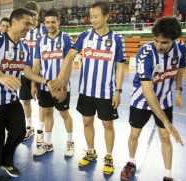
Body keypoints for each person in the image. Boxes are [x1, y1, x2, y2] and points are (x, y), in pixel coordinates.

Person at [0, 8, 53, 181]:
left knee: (18, 133)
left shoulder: (24, 47)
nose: (29, 28)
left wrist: (45, 81)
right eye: (26, 24)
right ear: (14, 22)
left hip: (11, 99)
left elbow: (27, 71)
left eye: (31, 24)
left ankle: (6, 161)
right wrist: (1, 76)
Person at [51, 2, 126, 175]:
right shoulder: (85, 36)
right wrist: (60, 79)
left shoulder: (116, 39)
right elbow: (69, 56)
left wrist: (118, 90)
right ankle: (91, 152)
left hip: (107, 92)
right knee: (87, 122)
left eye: (96, 16)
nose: (92, 20)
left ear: (107, 16)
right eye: (91, 16)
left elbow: (120, 66)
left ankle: (108, 156)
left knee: (107, 124)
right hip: (86, 91)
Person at [120, 17, 185, 181]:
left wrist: (178, 90)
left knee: (165, 137)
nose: (158, 45)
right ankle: (131, 161)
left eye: (164, 42)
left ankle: (168, 175)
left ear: (174, 40)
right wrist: (167, 123)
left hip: (164, 99)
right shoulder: (145, 53)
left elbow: (180, 69)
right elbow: (148, 93)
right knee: (135, 134)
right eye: (156, 40)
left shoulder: (181, 49)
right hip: (141, 100)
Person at [31, 10, 74, 157]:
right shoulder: (40, 41)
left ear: (58, 22)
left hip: (60, 87)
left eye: (53, 22)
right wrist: (33, 85)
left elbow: (69, 65)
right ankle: (48, 143)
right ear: (44, 23)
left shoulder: (66, 39)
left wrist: (63, 86)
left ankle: (70, 142)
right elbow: (36, 65)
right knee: (48, 113)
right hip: (44, 86)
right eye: (48, 22)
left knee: (64, 114)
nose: (50, 25)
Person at [21, 1, 48, 144]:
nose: (32, 17)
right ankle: (29, 126)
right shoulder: (22, 30)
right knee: (25, 100)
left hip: (40, 73)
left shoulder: (45, 30)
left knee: (42, 103)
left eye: (35, 14)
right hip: (24, 72)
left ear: (39, 14)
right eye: (30, 14)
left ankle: (41, 130)